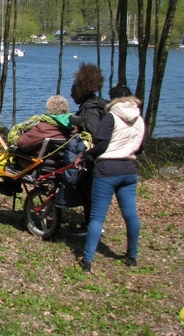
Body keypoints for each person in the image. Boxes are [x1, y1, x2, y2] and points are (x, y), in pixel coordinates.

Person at [73, 85, 146, 272]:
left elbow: (103, 145)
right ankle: (132, 256)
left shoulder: (111, 117)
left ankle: (87, 260)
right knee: (130, 215)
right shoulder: (139, 118)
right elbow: (140, 147)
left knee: (97, 218)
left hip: (106, 170)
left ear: (112, 100)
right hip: (129, 169)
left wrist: (86, 155)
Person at [65, 63, 110, 235]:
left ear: (81, 91)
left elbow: (95, 133)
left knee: (86, 188)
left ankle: (91, 225)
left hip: (93, 155)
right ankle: (92, 223)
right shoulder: (100, 105)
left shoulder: (89, 110)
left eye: (73, 91)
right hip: (100, 155)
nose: (71, 94)